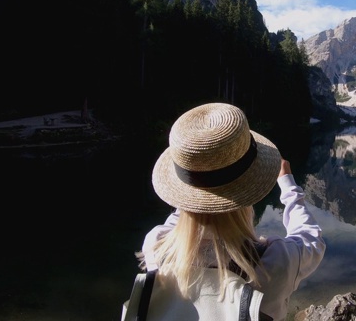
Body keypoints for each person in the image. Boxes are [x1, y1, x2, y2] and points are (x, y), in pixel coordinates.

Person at [136, 102, 326, 321]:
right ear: (250, 188)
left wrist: (197, 178)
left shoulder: (157, 246)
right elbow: (312, 239)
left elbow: (180, 216)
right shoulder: (274, 262)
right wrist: (288, 185)